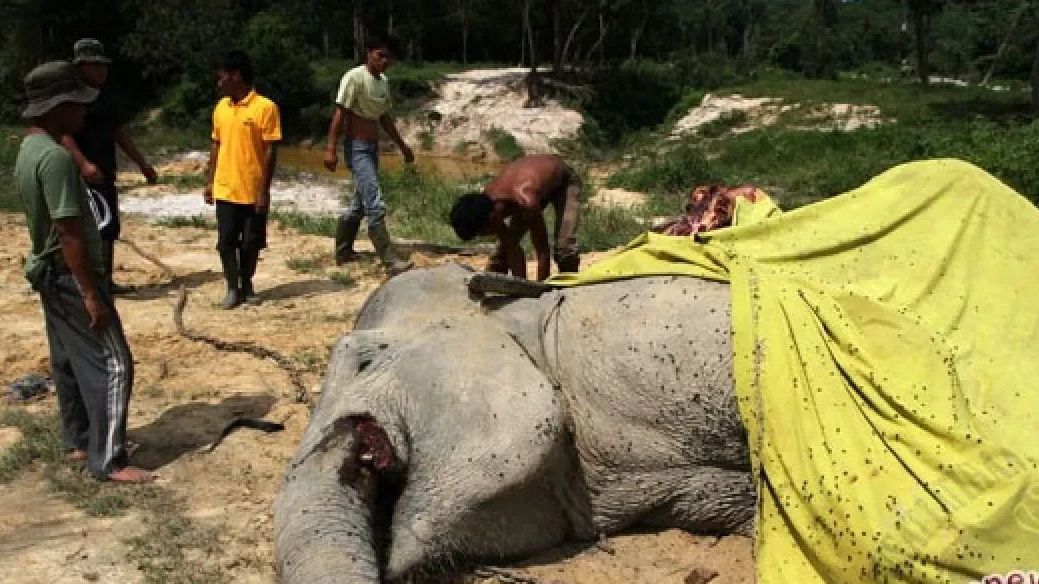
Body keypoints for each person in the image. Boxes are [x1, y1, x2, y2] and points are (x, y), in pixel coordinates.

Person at [15, 61, 153, 483]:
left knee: (67, 360)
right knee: (115, 363)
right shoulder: (56, 159)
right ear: (57, 107)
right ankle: (109, 460)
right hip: (70, 275)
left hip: (48, 275)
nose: (83, 112)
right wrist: (92, 293)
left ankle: (77, 440)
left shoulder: (28, 149)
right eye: (76, 104)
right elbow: (69, 230)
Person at [61, 38, 158, 294]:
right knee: (83, 229)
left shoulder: (103, 96)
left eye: (103, 66)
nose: (102, 71)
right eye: (96, 66)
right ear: (82, 66)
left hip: (105, 173)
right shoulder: (71, 98)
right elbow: (63, 135)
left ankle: (105, 279)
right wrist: (83, 164)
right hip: (81, 175)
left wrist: (142, 164)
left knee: (109, 226)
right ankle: (86, 281)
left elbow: (119, 133)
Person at [323, 36, 413, 275]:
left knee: (360, 203)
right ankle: (388, 259)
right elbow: (339, 114)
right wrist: (331, 149)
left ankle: (343, 250)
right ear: (368, 53)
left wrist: (403, 146)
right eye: (379, 55)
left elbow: (384, 118)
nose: (384, 61)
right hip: (357, 147)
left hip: (372, 148)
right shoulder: (354, 78)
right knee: (374, 200)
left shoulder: (383, 82)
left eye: (388, 57)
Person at [203, 51, 281, 309]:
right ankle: (232, 288)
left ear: (236, 76)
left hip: (252, 188)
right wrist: (209, 180)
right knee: (225, 241)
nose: (219, 83)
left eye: (222, 77)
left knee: (251, 241)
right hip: (226, 187)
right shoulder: (221, 108)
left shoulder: (265, 108)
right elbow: (216, 144)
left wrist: (264, 191)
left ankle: (247, 283)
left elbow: (271, 151)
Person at [449, 154, 582, 281]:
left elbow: (542, 251)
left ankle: (570, 290)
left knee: (564, 247)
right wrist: (521, 285)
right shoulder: (487, 202)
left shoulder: (525, 200)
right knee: (500, 254)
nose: (489, 234)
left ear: (490, 219)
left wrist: (541, 291)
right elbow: (512, 247)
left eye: (483, 233)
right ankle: (493, 289)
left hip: (564, 181)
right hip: (535, 184)